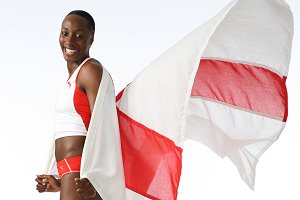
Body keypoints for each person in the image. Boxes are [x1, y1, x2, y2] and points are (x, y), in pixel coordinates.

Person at [36, 10, 103, 200]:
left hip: (82, 173)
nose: (70, 41)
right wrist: (57, 175)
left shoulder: (90, 70)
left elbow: (103, 126)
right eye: (65, 33)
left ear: (91, 39)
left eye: (79, 36)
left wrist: (97, 177)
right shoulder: (72, 79)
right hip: (71, 172)